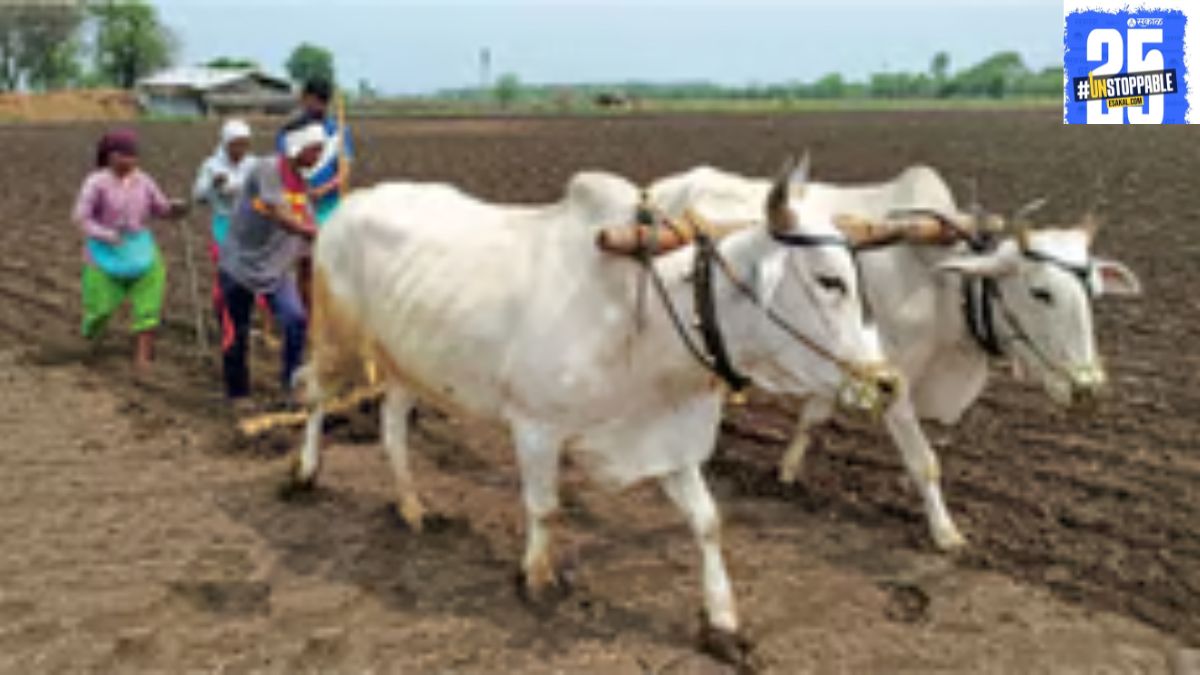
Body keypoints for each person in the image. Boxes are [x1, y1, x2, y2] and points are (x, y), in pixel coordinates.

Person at [219, 121, 324, 409]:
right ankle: (237, 392)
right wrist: (312, 232)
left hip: (276, 270)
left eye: (321, 151)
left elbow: (307, 235)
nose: (318, 158)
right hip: (239, 264)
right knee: (236, 331)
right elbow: (278, 212)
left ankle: (290, 386)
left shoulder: (302, 187)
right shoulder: (268, 169)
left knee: (295, 320)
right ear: (297, 146)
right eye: (314, 150)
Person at [73, 128, 187, 373]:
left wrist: (173, 209)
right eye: (122, 155)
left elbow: (160, 207)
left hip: (139, 247)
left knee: (149, 302)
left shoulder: (144, 181)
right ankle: (92, 332)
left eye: (132, 155)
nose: (129, 161)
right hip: (104, 251)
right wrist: (105, 234)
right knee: (100, 308)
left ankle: (143, 357)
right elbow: (81, 218)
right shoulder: (96, 182)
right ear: (110, 156)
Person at [278, 78, 354, 308]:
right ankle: (308, 315)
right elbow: (283, 168)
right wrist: (301, 192)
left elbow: (344, 170)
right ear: (304, 99)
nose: (318, 107)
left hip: (329, 206)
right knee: (306, 265)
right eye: (314, 101)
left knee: (332, 265)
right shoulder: (289, 132)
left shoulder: (339, 131)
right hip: (299, 205)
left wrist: (324, 189)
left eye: (323, 102)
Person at [192, 119, 257, 349]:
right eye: (235, 145)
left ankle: (244, 323)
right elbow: (198, 196)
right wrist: (212, 183)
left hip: (249, 225)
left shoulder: (253, 165)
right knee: (226, 277)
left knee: (250, 278)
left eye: (244, 144)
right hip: (224, 224)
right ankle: (225, 322)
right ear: (225, 143)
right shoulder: (211, 165)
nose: (240, 150)